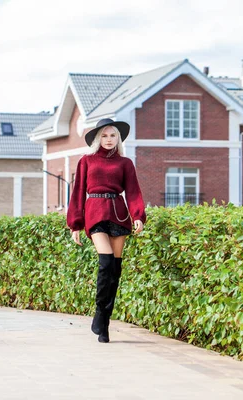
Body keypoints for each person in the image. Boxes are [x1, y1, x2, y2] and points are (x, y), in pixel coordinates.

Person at [67, 118, 146, 343]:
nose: (109, 139)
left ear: (118, 138)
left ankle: (105, 324)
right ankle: (100, 312)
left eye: (112, 136)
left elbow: (132, 192)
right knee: (106, 263)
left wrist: (138, 215)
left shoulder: (125, 163)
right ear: (98, 138)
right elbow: (78, 192)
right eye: (104, 135)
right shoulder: (87, 161)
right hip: (95, 213)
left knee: (115, 271)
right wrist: (76, 224)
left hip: (119, 215)